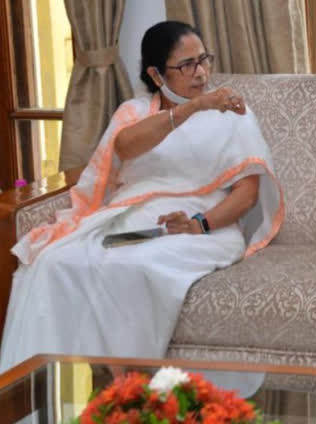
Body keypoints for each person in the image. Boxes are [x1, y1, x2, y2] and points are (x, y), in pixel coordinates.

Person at [0, 20, 284, 372]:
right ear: (155, 73)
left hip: (203, 226)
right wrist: (192, 108)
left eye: (204, 59)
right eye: (187, 65)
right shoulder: (134, 112)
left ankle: (127, 385)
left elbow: (247, 196)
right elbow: (125, 145)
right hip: (131, 217)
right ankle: (42, 386)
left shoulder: (233, 114)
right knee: (52, 263)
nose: (201, 72)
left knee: (136, 266)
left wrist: (198, 225)